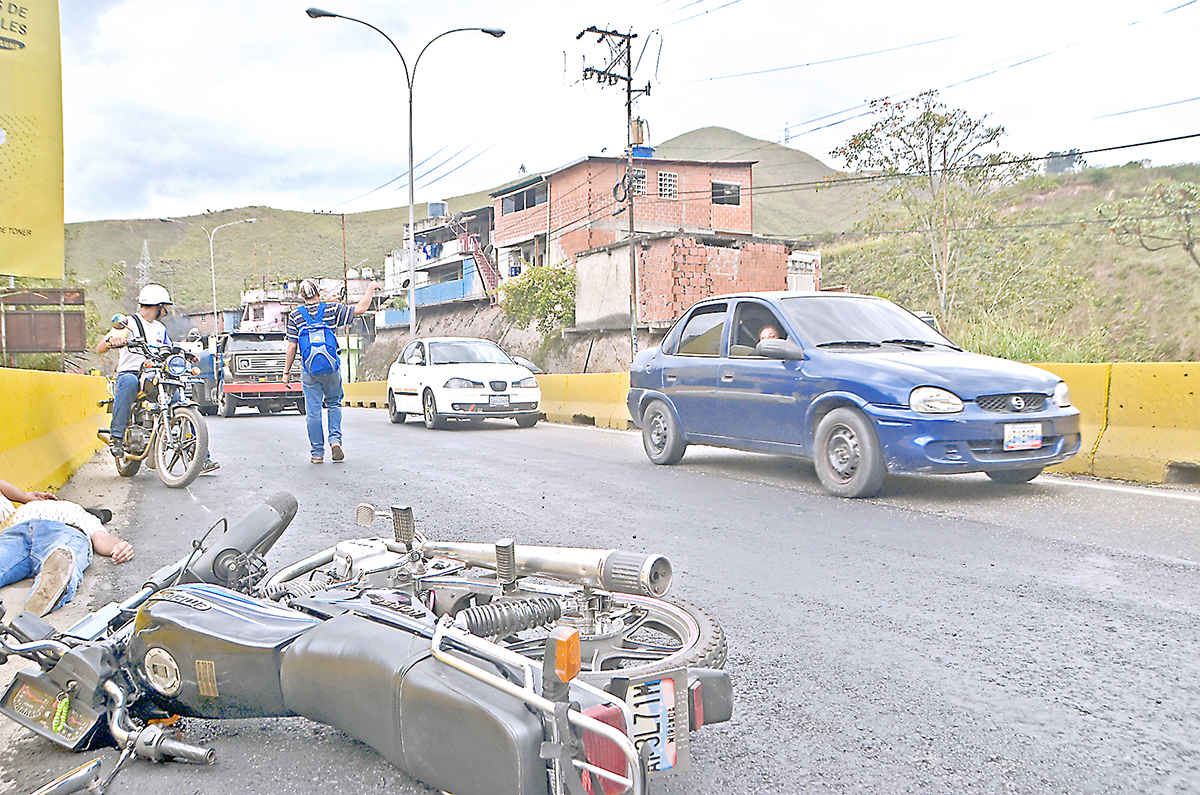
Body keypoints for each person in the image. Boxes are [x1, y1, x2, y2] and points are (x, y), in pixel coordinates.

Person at [97, 286, 219, 475]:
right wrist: (114, 342)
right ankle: (117, 437)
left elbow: (168, 348)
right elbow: (101, 347)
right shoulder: (128, 323)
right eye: (164, 307)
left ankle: (201, 457)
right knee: (128, 383)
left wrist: (186, 355)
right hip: (131, 372)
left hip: (155, 374)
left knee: (178, 398)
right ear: (158, 306)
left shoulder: (160, 328)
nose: (166, 312)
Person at [0, 479, 133, 618]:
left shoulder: (79, 512)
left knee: (64, 556)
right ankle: (52, 587)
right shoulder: (18, 510)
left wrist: (118, 545)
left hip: (65, 530)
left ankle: (47, 593)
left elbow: (101, 538)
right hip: (16, 532)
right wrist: (25, 496)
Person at [283, 278, 380, 464]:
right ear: (318, 293)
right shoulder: (331, 309)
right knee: (334, 403)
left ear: (302, 296)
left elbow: (292, 346)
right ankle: (335, 440)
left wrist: (286, 373)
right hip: (331, 367)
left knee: (313, 411)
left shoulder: (295, 316)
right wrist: (370, 288)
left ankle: (317, 453)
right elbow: (360, 309)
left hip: (309, 370)